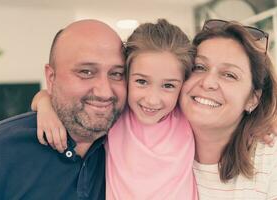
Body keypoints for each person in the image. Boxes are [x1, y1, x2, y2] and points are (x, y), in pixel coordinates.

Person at [32, 19, 198, 199]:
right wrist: (45, 104)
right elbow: (48, 93)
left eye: (168, 86)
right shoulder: (118, 115)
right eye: (141, 81)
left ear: (183, 84)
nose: (152, 99)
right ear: (125, 77)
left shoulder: (188, 116)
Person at [0, 19, 126, 200]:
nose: (104, 92)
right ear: (51, 77)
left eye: (117, 74)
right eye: (86, 72)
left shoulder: (135, 146)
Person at [180, 19, 277, 199]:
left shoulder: (270, 161)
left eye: (229, 75)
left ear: (252, 99)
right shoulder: (149, 146)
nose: (208, 82)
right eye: (199, 67)